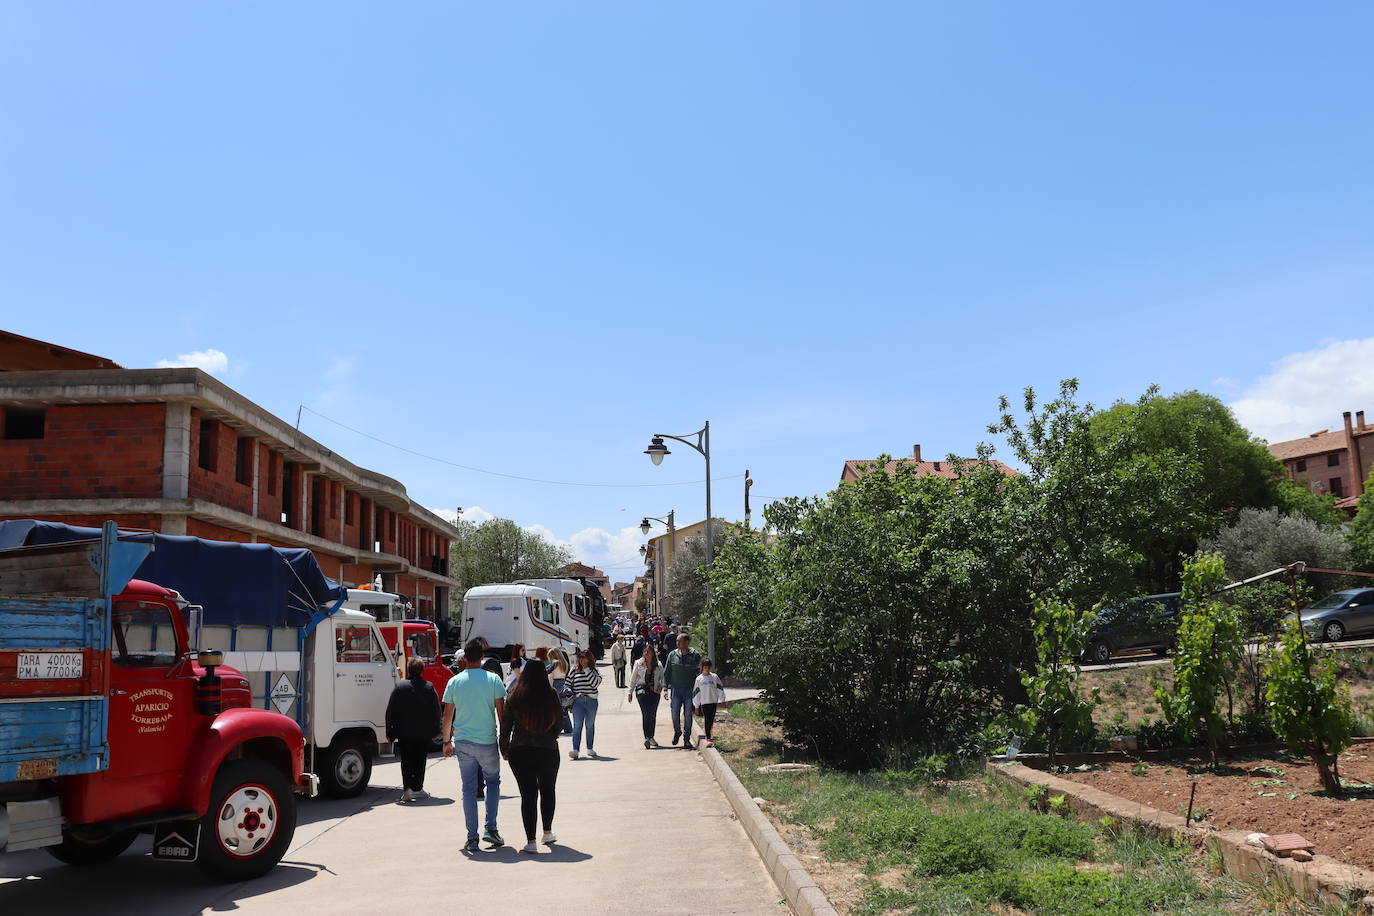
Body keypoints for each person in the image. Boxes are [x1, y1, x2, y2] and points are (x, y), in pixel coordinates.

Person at [441, 638, 507, 852]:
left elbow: (447, 715)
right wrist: (505, 742)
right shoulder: (494, 679)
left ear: (465, 658)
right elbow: (501, 714)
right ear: (482, 657)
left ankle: (472, 837)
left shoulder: (454, 681)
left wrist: (446, 741)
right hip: (487, 741)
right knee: (493, 783)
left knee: (468, 789)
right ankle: (491, 828)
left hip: (463, 742)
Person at [500, 658, 564, 854]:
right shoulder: (551, 694)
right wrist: (550, 735)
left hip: (520, 750)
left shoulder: (515, 695)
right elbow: (559, 724)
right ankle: (547, 831)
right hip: (547, 749)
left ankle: (530, 841)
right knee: (547, 790)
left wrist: (505, 748)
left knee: (528, 795)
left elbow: (505, 726)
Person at [386, 657, 441, 802]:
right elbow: (436, 710)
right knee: (420, 760)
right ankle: (418, 787)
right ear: (422, 670)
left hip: (404, 732)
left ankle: (407, 789)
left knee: (406, 761)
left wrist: (389, 731)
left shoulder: (400, 687)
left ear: (409, 670)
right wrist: (437, 728)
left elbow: (390, 710)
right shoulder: (428, 687)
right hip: (423, 732)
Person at [664, 633, 702, 748]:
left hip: (689, 689)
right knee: (675, 713)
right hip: (676, 689)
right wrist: (665, 688)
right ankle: (677, 731)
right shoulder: (672, 655)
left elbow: (700, 672)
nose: (677, 643)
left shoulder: (695, 655)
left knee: (687, 715)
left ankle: (686, 739)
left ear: (686, 642)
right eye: (676, 641)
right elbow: (667, 672)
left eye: (679, 641)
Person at [566, 649, 602, 760]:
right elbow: (567, 685)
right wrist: (570, 700)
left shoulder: (594, 671)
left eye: (584, 657)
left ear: (589, 659)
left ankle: (590, 748)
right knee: (577, 726)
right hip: (578, 702)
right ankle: (575, 750)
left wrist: (586, 669)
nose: (581, 659)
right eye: (580, 657)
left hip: (591, 701)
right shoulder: (573, 670)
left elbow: (595, 683)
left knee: (590, 725)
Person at [628, 645, 665, 748]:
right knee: (646, 714)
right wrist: (630, 692)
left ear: (653, 653)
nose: (646, 653)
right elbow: (633, 678)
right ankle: (647, 738)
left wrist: (661, 687)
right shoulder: (638, 663)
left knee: (652, 714)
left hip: (654, 693)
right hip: (642, 692)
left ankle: (651, 737)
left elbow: (663, 678)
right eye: (645, 651)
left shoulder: (658, 665)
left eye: (648, 651)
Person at [692, 657, 726, 748]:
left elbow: (720, 688)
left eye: (708, 666)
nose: (707, 668)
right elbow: (696, 693)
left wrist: (722, 700)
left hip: (713, 702)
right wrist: (696, 706)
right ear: (702, 667)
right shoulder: (699, 679)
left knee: (711, 720)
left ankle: (710, 735)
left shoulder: (714, 677)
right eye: (705, 666)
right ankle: (708, 738)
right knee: (707, 720)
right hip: (704, 703)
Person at [549, 647, 573, 734]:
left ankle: (556, 728)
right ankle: (568, 728)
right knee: (563, 709)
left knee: (555, 708)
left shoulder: (555, 663)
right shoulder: (564, 663)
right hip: (563, 683)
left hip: (556, 684)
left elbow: (549, 672)